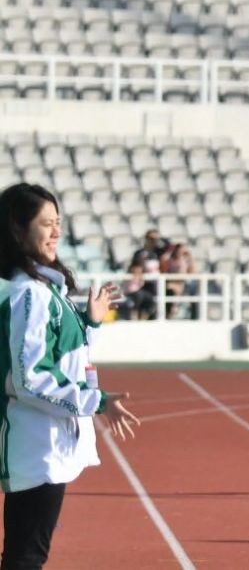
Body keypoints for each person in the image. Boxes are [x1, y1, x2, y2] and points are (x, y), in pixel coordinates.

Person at [1, 183, 140, 570]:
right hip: (36, 448)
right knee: (25, 557)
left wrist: (89, 323)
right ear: (17, 229)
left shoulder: (45, 288)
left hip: (49, 445)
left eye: (58, 222)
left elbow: (64, 358)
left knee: (26, 554)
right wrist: (96, 401)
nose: (56, 232)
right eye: (46, 223)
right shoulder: (31, 293)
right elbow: (31, 378)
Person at [119, 257, 155, 321]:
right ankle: (134, 315)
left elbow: (141, 284)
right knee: (138, 296)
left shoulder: (140, 276)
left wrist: (139, 277)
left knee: (149, 298)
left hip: (138, 294)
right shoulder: (128, 276)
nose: (137, 270)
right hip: (130, 294)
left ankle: (143, 317)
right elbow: (128, 288)